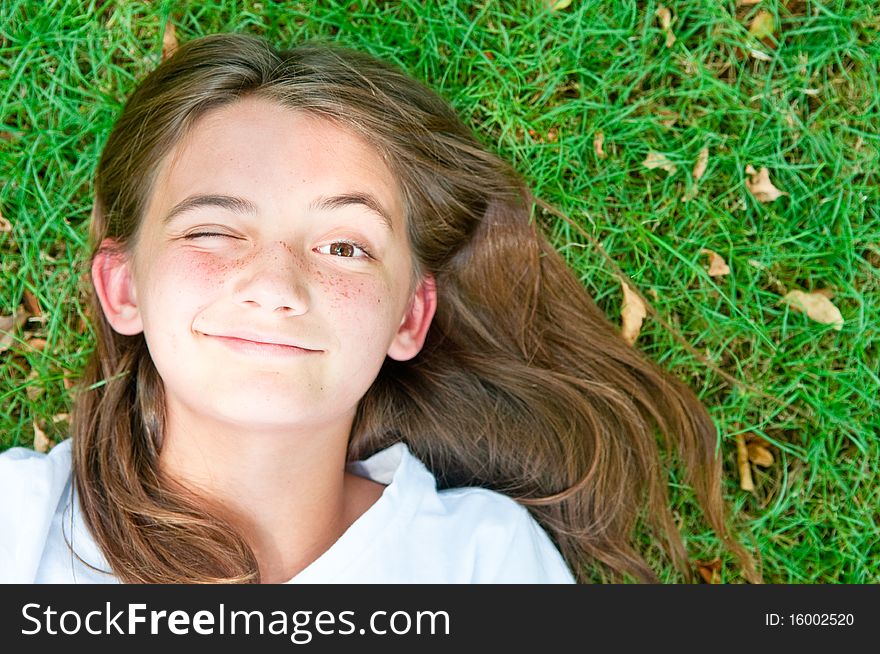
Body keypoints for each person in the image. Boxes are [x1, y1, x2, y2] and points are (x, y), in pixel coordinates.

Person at [0, 33, 759, 584]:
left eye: (343, 247)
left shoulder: (481, 563)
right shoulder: (17, 524)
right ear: (125, 288)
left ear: (408, 318)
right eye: (214, 230)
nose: (275, 286)